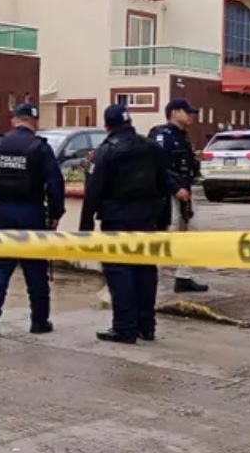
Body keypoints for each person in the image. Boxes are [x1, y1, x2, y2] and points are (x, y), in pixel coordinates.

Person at [0, 102, 65, 338]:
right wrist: (55, 214)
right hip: (32, 212)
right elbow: (55, 183)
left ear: (14, 120)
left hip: (4, 211)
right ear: (35, 122)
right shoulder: (39, 147)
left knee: (2, 265)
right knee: (35, 267)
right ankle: (39, 321)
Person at [80, 104, 171, 344]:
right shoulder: (152, 147)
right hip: (147, 219)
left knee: (119, 271)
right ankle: (146, 326)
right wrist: (164, 221)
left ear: (107, 126)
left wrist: (85, 227)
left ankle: (124, 327)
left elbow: (93, 191)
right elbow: (165, 184)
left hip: (116, 220)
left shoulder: (105, 151)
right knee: (145, 269)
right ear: (130, 122)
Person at [149, 98, 208, 293]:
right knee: (168, 235)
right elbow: (159, 168)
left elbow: (185, 167)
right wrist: (175, 189)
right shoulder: (162, 136)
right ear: (174, 113)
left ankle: (184, 277)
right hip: (167, 195)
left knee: (189, 233)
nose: (191, 116)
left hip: (183, 192)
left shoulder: (182, 136)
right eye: (187, 112)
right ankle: (150, 275)